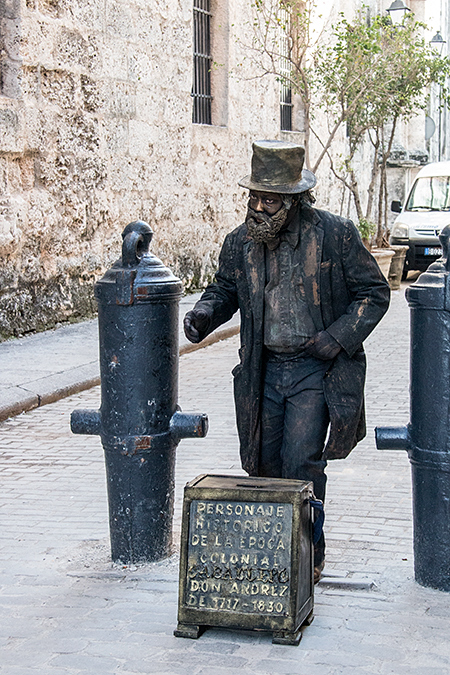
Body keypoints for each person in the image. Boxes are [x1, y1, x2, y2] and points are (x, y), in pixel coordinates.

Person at [184, 140, 390, 582]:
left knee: (301, 464)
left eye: (269, 200)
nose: (258, 207)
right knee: (262, 465)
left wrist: (336, 339)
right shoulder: (240, 242)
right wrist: (204, 313)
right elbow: (225, 289)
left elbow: (374, 293)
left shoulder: (335, 235)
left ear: (294, 201)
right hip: (263, 371)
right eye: (254, 197)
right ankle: (273, 553)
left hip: (314, 370)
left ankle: (308, 555)